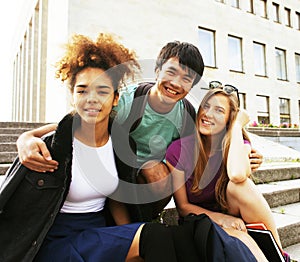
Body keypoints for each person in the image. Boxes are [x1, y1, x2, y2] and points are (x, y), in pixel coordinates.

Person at [0, 33, 268, 262]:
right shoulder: (126, 102)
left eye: (186, 79)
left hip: (127, 186)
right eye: (171, 72)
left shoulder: (186, 114)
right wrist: (27, 137)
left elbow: (214, 133)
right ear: (158, 71)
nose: (176, 83)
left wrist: (247, 148)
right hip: (111, 189)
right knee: (151, 182)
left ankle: (145, 220)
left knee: (156, 174)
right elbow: (77, 119)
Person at [166, 84, 284, 257]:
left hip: (234, 213)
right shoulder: (178, 149)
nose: (208, 114)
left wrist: (237, 126)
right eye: (206, 106)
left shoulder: (236, 145)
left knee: (239, 186)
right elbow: (183, 207)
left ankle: (280, 255)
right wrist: (223, 219)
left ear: (229, 120)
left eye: (219, 110)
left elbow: (237, 175)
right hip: (199, 221)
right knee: (242, 239)